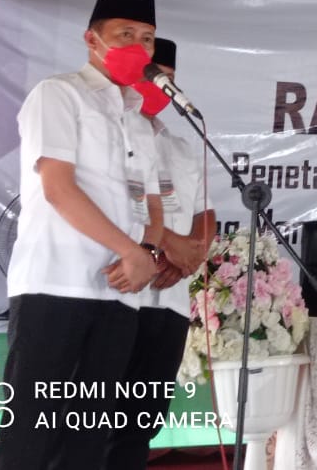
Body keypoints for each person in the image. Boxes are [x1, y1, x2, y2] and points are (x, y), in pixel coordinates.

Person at [0, 0, 165, 470]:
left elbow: (151, 205)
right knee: (30, 437)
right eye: (125, 34)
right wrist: (131, 251)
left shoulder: (139, 119)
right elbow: (59, 189)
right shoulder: (59, 93)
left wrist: (147, 251)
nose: (138, 46)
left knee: (88, 440)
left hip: (119, 294)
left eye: (147, 38)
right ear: (92, 40)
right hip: (56, 285)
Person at [107, 38, 215, 470]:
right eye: (154, 77)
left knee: (142, 421)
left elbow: (205, 213)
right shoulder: (108, 132)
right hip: (117, 295)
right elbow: (110, 204)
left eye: (168, 80)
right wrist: (166, 244)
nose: (161, 88)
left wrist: (191, 258)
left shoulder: (182, 146)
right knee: (94, 420)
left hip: (168, 300)